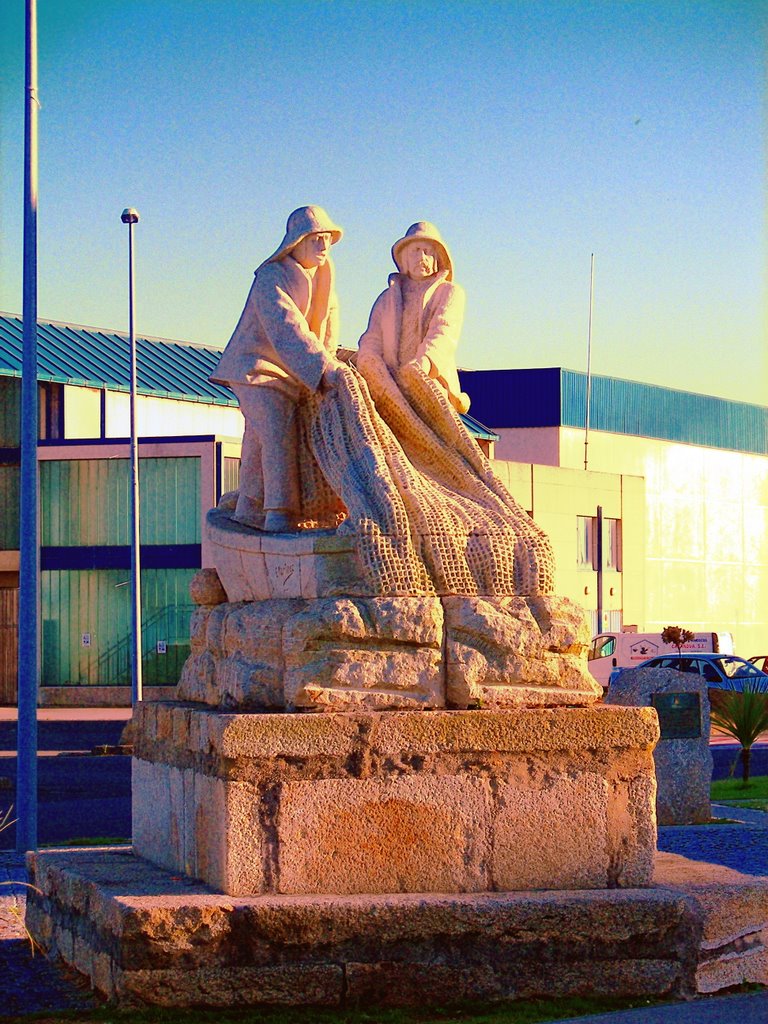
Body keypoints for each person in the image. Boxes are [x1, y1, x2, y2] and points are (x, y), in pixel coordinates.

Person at [210, 206, 346, 532]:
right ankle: (278, 513)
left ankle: (248, 509)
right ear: (296, 242)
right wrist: (321, 368)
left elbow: (328, 334)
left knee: (258, 438)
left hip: (291, 374)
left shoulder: (325, 281)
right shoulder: (271, 278)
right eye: (315, 239)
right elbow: (288, 329)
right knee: (276, 430)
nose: (323, 246)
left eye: (326, 239)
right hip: (255, 367)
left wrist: (329, 365)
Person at [356, 221, 470, 415]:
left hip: (431, 384)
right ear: (404, 259)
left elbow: (443, 333)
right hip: (390, 388)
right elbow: (371, 339)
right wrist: (373, 368)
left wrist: (423, 365)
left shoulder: (449, 293)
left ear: (438, 258)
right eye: (415, 251)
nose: (421, 257)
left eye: (427, 251)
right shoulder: (386, 299)